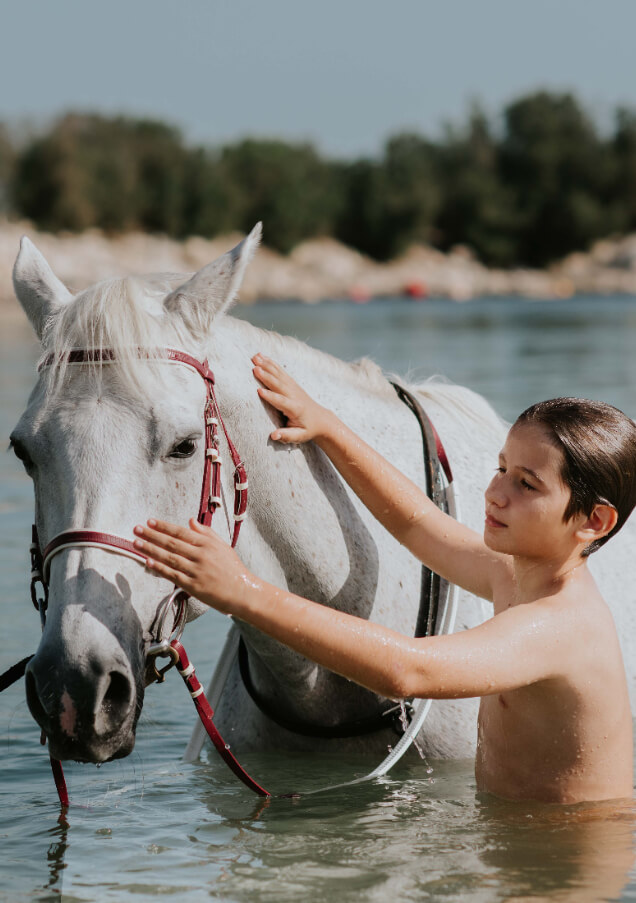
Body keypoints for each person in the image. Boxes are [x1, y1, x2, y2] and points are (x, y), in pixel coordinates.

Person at [134, 353, 636, 804]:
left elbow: (406, 672)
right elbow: (417, 525)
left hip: (570, 856)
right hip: (515, 835)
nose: (495, 493)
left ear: (593, 522)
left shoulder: (560, 625)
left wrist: (243, 592)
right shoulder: (516, 573)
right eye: (501, 468)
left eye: (526, 484)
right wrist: (328, 428)